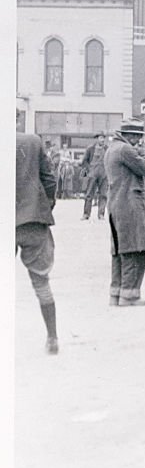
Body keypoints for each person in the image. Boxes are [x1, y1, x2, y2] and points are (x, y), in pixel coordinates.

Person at [104, 118, 145, 307]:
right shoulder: (125, 150)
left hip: (116, 204)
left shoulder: (112, 149)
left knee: (119, 250)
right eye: (136, 136)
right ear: (128, 135)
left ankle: (116, 294)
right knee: (135, 249)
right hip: (130, 204)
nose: (138, 140)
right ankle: (130, 296)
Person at [16, 131, 60, 354]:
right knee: (41, 281)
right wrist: (45, 205)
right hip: (33, 219)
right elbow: (50, 179)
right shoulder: (32, 141)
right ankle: (52, 338)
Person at [80, 131, 109, 220]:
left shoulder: (107, 149)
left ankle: (101, 214)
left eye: (104, 138)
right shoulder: (90, 149)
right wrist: (89, 170)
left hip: (104, 174)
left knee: (103, 194)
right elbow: (84, 161)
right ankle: (86, 214)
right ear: (97, 139)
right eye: (101, 138)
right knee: (89, 194)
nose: (102, 140)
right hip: (92, 174)